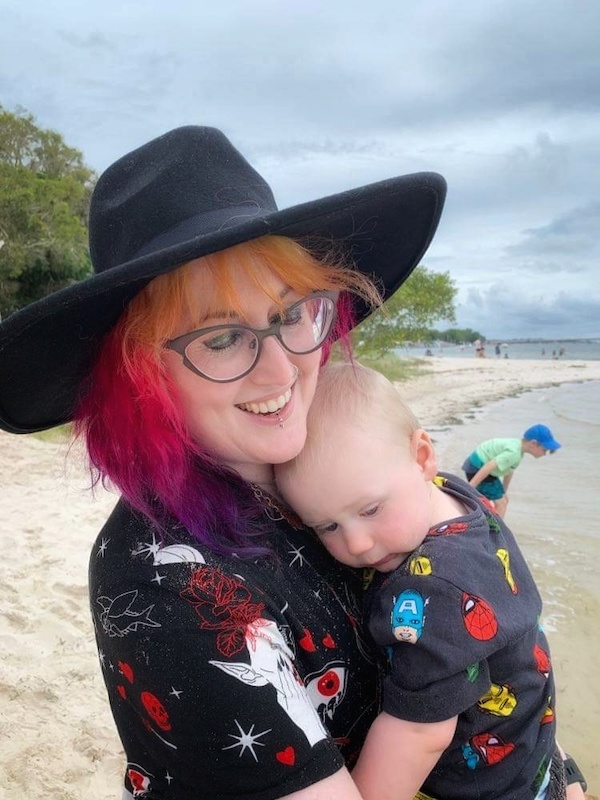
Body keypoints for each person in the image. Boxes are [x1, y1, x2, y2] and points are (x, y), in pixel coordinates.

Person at [0, 125, 448, 799]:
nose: (281, 369)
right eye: (223, 338)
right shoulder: (160, 582)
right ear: (141, 373)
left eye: (293, 313)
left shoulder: (348, 466)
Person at [275, 363, 586, 800]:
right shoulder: (460, 494)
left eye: (369, 510)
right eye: (327, 527)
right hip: (533, 748)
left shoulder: (431, 591)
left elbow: (419, 735)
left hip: (493, 786)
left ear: (422, 456)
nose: (359, 544)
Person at [461, 424, 561, 518]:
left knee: (504, 499)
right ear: (533, 444)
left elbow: (508, 471)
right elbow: (489, 466)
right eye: (544, 450)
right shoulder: (514, 453)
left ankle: (486, 521)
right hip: (477, 467)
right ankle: (496, 532)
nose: (544, 454)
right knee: (501, 504)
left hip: (481, 467)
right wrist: (470, 487)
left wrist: (504, 491)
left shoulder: (518, 449)